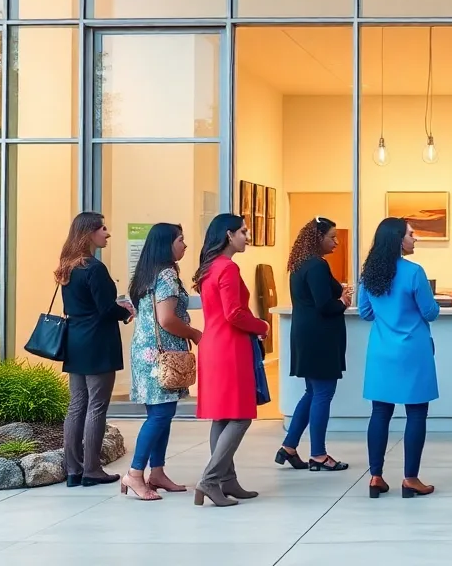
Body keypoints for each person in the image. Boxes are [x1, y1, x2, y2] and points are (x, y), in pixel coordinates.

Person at [193, 213, 272, 507]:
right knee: (240, 416)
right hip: (230, 347)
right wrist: (262, 326)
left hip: (214, 344)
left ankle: (227, 481)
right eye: (243, 231)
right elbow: (234, 313)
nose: (247, 237)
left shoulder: (209, 267)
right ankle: (210, 480)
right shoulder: (227, 267)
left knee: (223, 415)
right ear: (228, 234)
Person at [358, 217, 440, 499]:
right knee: (416, 412)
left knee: (380, 412)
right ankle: (410, 479)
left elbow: (365, 312)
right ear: (398, 239)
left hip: (381, 351)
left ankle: (375, 477)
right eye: (411, 234)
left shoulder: (369, 272)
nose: (415, 238)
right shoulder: (414, 272)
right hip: (413, 351)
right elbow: (430, 312)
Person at [124, 222, 200, 501]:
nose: (184, 245)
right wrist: (194, 333)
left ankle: (157, 472)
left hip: (146, 352)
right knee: (160, 416)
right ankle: (135, 474)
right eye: (180, 239)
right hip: (161, 355)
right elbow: (166, 319)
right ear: (166, 244)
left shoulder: (146, 273)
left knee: (161, 414)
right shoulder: (166, 274)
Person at [56, 211, 132, 488]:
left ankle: (73, 470)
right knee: (97, 406)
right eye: (102, 228)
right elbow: (105, 309)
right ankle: (92, 470)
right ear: (89, 233)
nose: (107, 233)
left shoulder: (67, 266)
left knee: (77, 405)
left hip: (75, 340)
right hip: (97, 341)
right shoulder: (94, 268)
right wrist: (125, 311)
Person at [277, 217, 354, 472]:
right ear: (318, 238)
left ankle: (289, 446)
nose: (336, 242)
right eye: (332, 237)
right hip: (319, 338)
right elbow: (325, 305)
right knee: (322, 393)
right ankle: (318, 454)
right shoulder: (317, 265)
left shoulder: (301, 263)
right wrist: (343, 301)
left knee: (312, 392)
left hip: (306, 335)